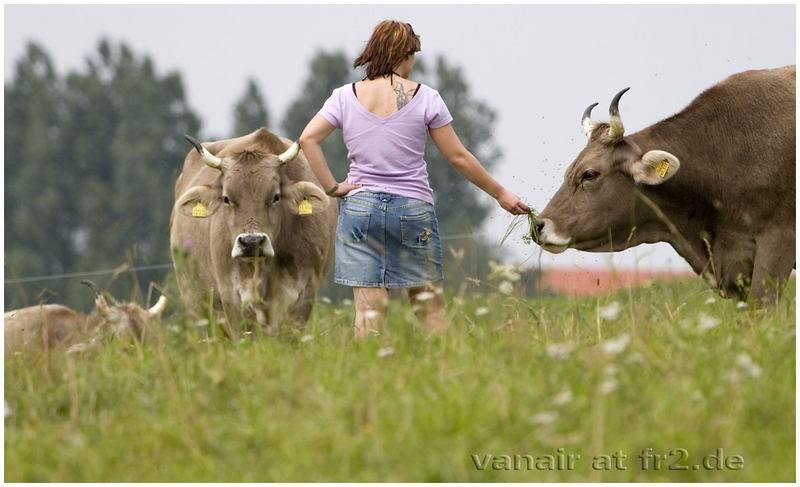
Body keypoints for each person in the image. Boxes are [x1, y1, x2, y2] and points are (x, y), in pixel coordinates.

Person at [299, 20, 530, 339]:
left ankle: (368, 383)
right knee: (429, 309)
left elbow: (308, 139)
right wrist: (500, 193)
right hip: (412, 211)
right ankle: (443, 375)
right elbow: (458, 157)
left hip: (359, 209)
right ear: (406, 55)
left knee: (368, 310)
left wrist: (332, 188)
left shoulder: (344, 96)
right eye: (413, 56)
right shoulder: (425, 97)